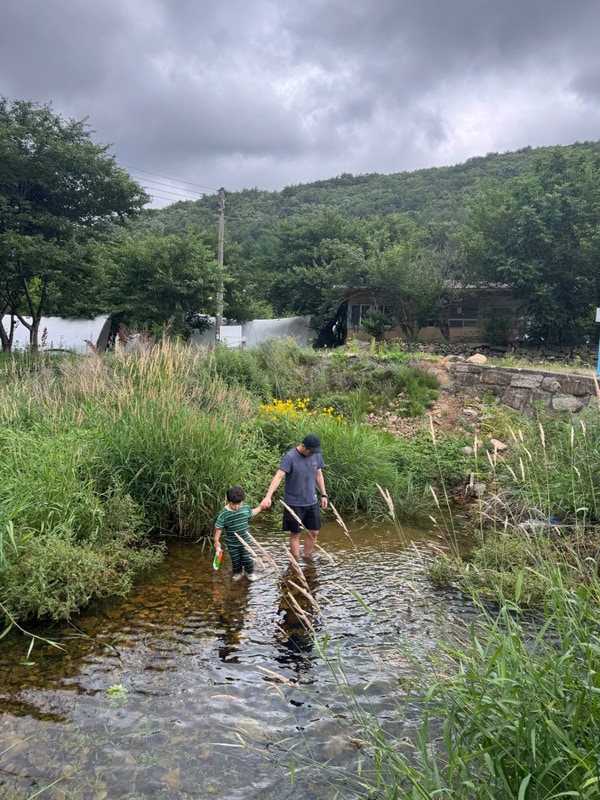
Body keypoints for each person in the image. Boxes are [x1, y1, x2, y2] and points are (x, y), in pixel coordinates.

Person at [261, 434, 328, 560]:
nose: (313, 454)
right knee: (295, 533)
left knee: (314, 531)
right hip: (293, 503)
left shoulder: (316, 455)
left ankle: (307, 557)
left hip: (311, 501)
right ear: (303, 446)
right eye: (311, 451)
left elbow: (319, 474)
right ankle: (295, 560)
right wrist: (268, 496)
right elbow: (279, 476)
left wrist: (324, 494)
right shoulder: (290, 457)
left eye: (315, 452)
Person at [214, 486, 264, 581]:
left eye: (239, 504)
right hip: (232, 544)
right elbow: (219, 527)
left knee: (248, 558)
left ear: (242, 501)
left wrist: (260, 508)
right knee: (235, 560)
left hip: (246, 541)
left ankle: (250, 572)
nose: (237, 507)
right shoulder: (224, 513)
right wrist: (216, 540)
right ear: (228, 501)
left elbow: (251, 513)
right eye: (234, 504)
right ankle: (238, 572)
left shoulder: (245, 507)